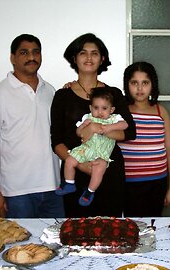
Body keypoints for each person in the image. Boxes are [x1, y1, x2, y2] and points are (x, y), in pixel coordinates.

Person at [0, 34, 64, 218]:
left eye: (36, 52)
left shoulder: (50, 91)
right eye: (24, 52)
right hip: (16, 193)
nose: (31, 57)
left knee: (55, 244)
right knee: (21, 246)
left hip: (53, 188)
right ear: (13, 57)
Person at [51, 33, 136, 218]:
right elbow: (56, 141)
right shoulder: (62, 96)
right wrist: (81, 165)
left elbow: (130, 131)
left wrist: (99, 129)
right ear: (75, 58)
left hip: (109, 172)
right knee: (76, 234)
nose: (89, 58)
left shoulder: (113, 94)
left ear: (102, 59)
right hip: (74, 173)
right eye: (83, 53)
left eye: (94, 53)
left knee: (110, 231)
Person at [118, 61, 170, 217]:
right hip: (127, 184)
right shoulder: (119, 111)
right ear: (127, 85)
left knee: (152, 227)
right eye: (134, 83)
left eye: (145, 82)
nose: (139, 88)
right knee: (130, 229)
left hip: (157, 183)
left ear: (153, 85)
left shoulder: (161, 111)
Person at [55, 87, 128, 206]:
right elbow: (79, 133)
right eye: (96, 108)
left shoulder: (114, 119)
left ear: (111, 109)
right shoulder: (88, 118)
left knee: (99, 169)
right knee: (69, 160)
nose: (100, 112)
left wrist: (109, 127)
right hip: (85, 149)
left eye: (104, 108)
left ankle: (90, 191)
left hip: (101, 154)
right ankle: (69, 183)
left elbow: (125, 125)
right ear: (90, 108)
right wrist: (84, 125)